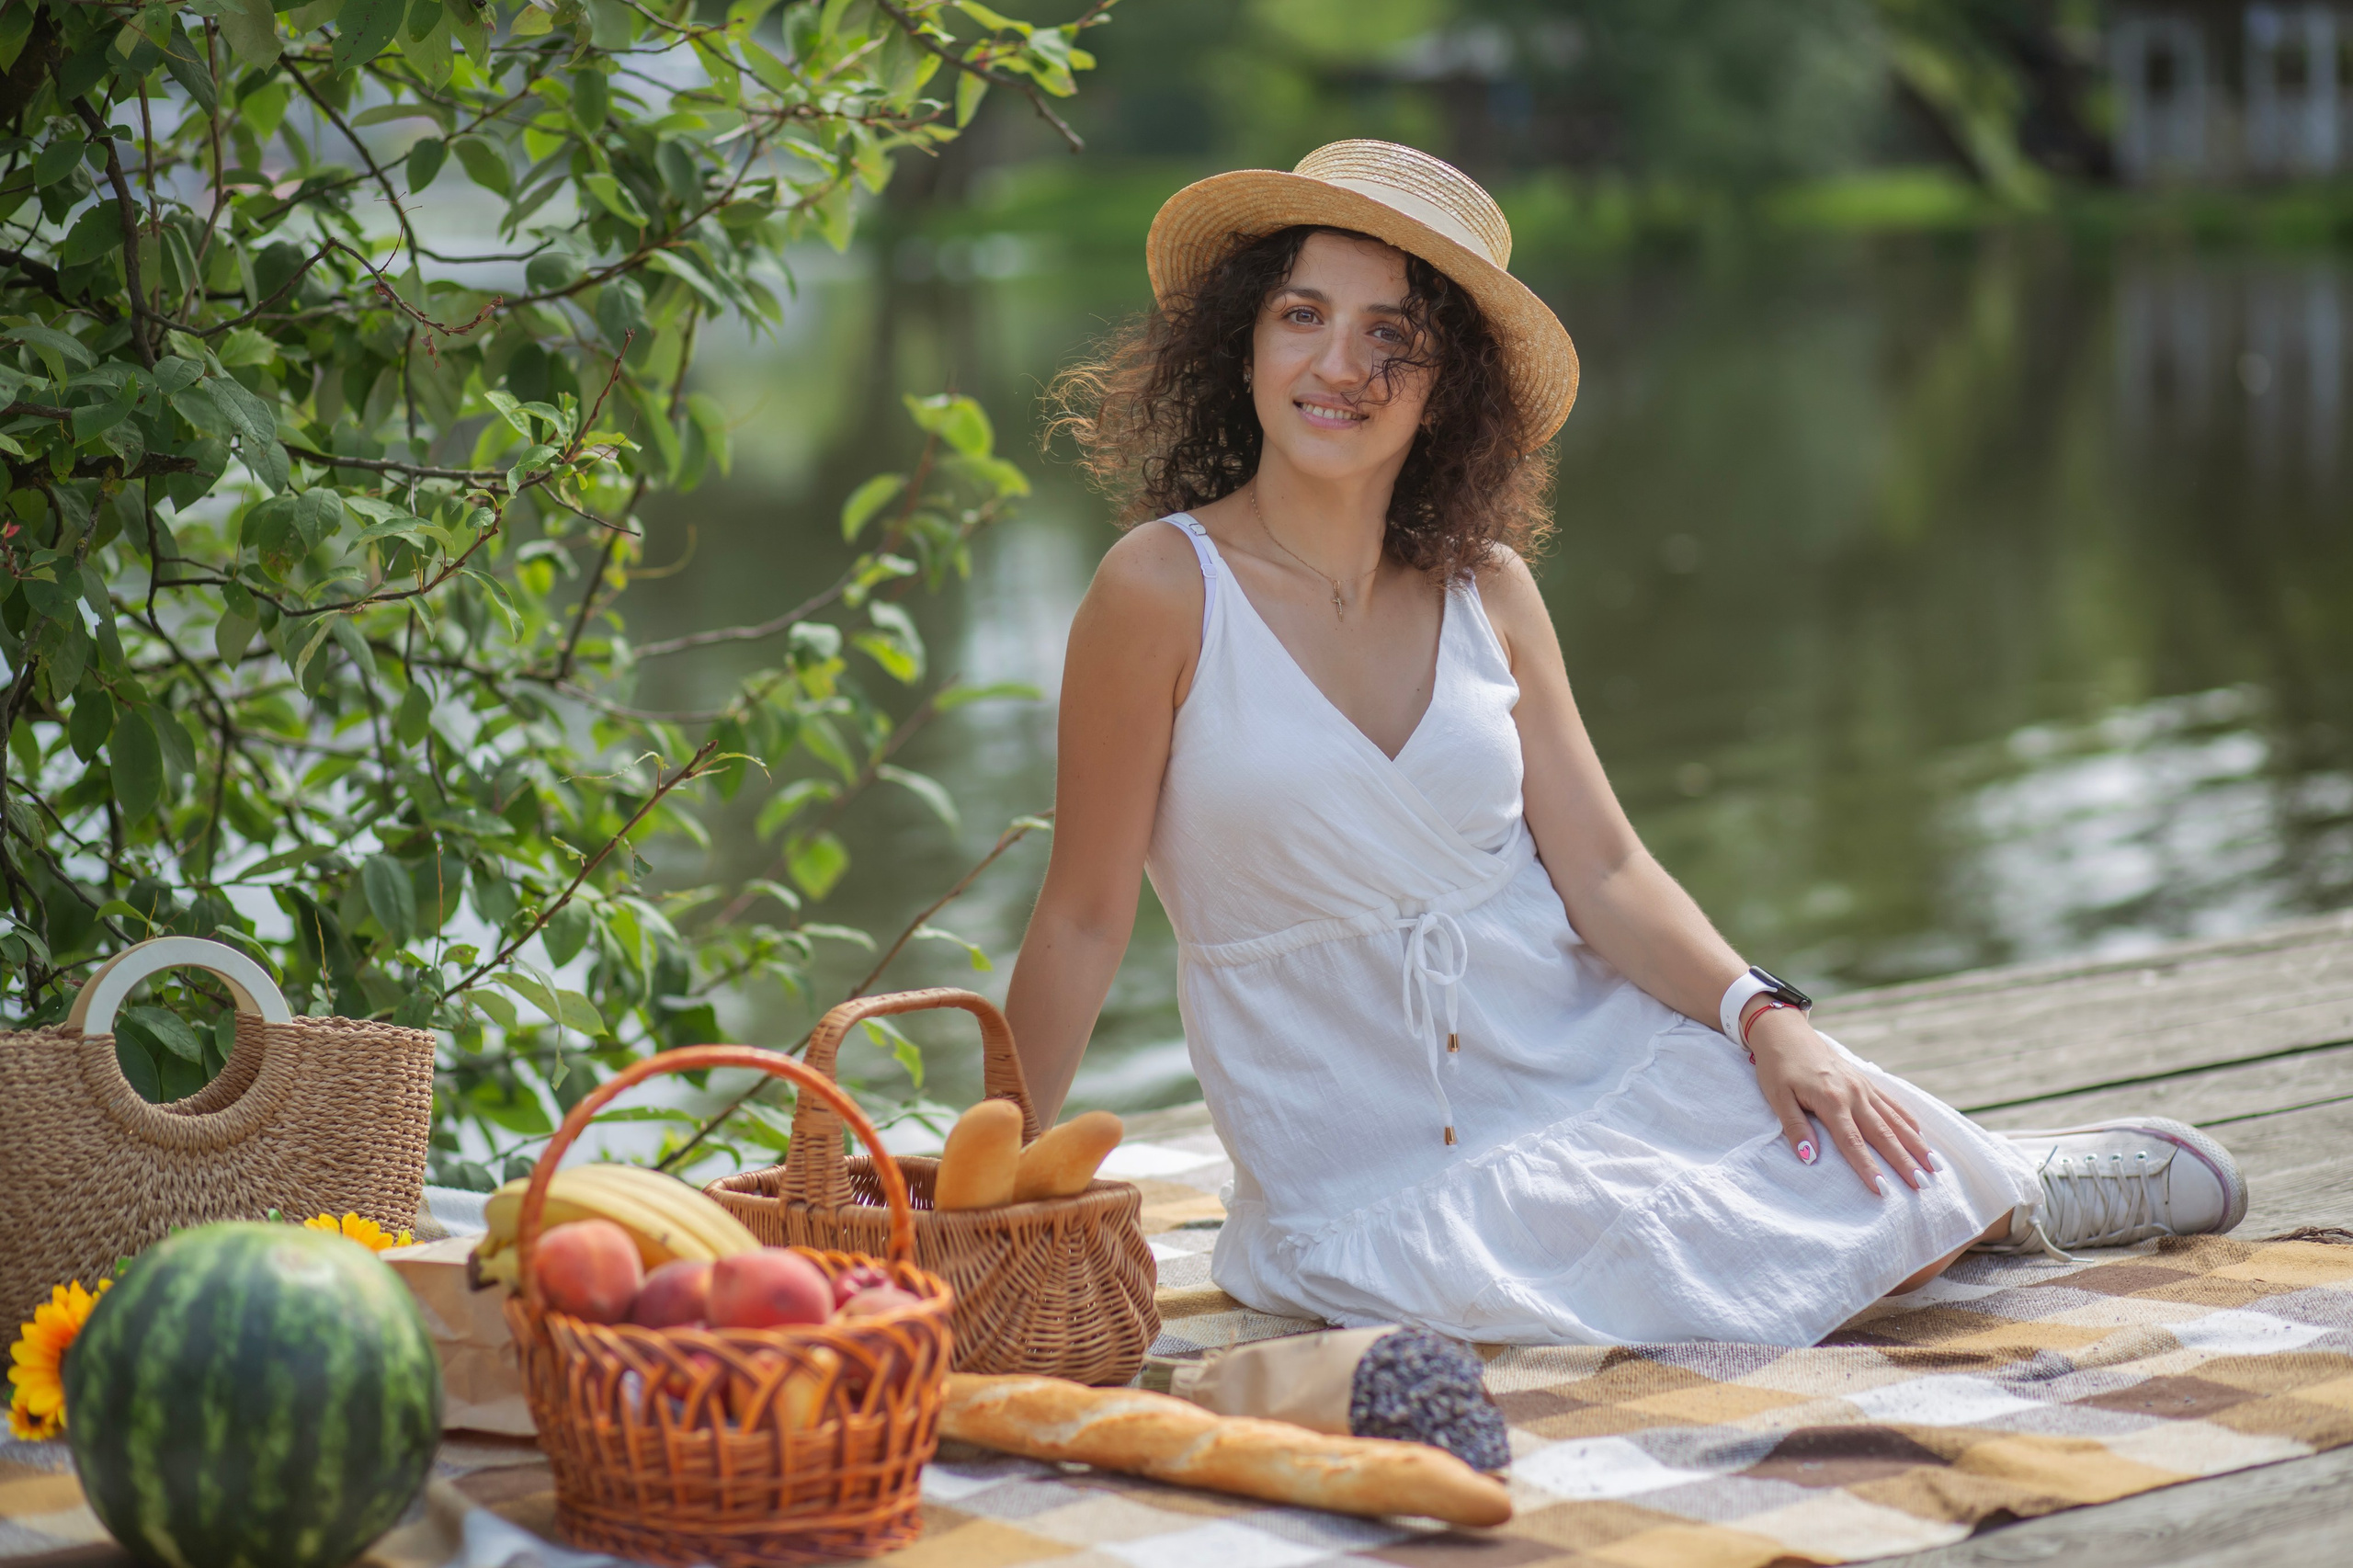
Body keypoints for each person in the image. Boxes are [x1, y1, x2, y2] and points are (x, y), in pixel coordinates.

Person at [999, 141, 2248, 1346]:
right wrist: (982, 1171)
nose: (1342, 365)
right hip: (1360, 1158)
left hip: (1582, 1049)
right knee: (1694, 1275)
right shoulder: (1161, 590)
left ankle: (2014, 1193)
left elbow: (1601, 871)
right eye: (1303, 315)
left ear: (1450, 390)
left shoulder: (1483, 587)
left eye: (1395, 336)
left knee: (1844, 1141)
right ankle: (1982, 1199)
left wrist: (1765, 1014)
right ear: (1244, 342)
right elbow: (1082, 919)